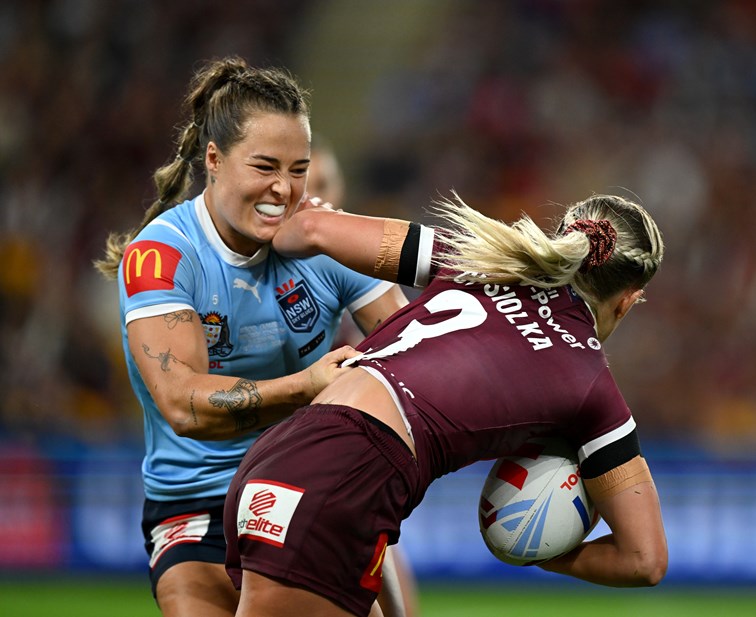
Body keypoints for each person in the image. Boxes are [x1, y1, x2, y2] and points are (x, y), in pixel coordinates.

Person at [223, 192, 669, 616]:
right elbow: (644, 560)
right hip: (348, 476)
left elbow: (312, 229)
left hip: (285, 451)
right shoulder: (590, 385)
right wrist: (538, 549)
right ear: (627, 301)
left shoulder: (480, 254)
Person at [93, 56, 408, 617]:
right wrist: (310, 386)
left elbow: (410, 357)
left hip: (308, 489)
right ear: (214, 160)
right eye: (265, 167)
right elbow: (184, 405)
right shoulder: (162, 257)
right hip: (194, 506)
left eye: (298, 169)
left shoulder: (325, 243)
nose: (284, 190)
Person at [307, 133, 421, 617]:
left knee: (392, 578)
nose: (314, 196)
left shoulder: (356, 267)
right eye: (304, 182)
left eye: (324, 183)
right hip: (267, 459)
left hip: (339, 463)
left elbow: (411, 345)